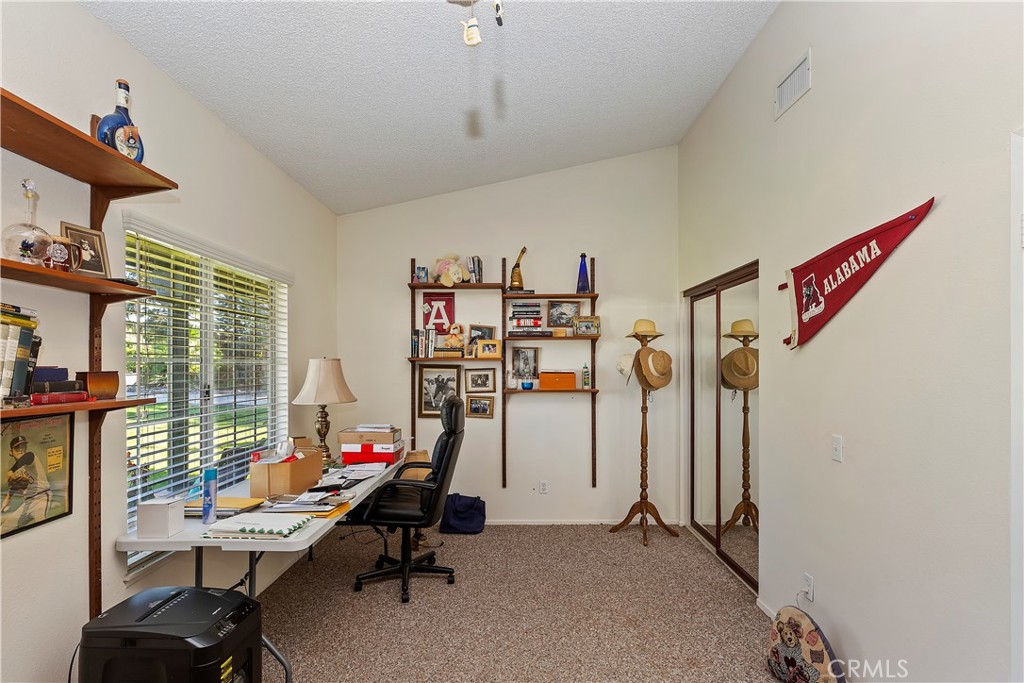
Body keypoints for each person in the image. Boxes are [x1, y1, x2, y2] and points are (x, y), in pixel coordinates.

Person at [1, 435, 52, 532]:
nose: (21, 449)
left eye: (23, 446)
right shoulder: (18, 470)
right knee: (4, 528)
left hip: (42, 497)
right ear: (10, 452)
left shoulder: (31, 457)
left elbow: (27, 458)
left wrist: (11, 471)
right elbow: (15, 484)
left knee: (42, 528)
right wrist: (8, 498)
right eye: (17, 448)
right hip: (28, 502)